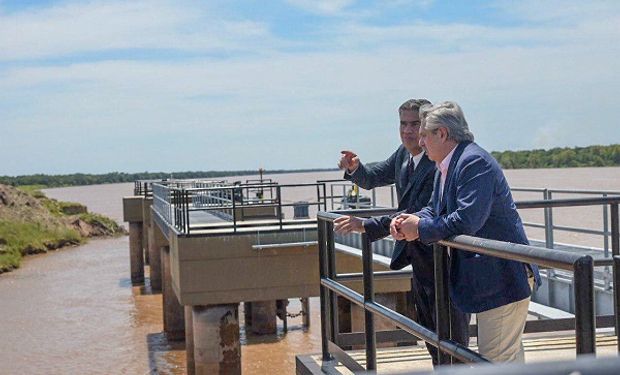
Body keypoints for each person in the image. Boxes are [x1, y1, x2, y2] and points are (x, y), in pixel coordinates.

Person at [391, 101, 541, 362]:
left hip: (503, 277)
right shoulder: (445, 166)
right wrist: (411, 219)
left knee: (495, 360)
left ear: (442, 134)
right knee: (506, 359)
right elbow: (435, 209)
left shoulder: (473, 162)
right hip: (490, 279)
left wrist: (420, 229)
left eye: (425, 135)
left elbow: (467, 220)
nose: (421, 142)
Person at [334, 98, 470, 366]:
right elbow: (373, 176)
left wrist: (367, 224)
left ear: (429, 127)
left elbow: (416, 211)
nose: (408, 131)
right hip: (418, 257)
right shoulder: (403, 155)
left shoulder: (438, 161)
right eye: (403, 123)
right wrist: (355, 169)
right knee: (431, 333)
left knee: (452, 337)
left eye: (415, 124)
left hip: (443, 258)